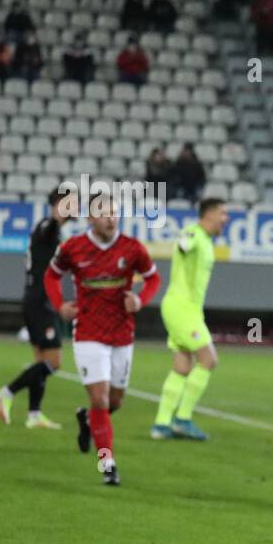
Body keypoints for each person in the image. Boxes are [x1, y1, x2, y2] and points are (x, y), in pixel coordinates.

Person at [43, 191, 161, 486]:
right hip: (88, 333)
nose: (111, 218)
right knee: (100, 397)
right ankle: (107, 463)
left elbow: (154, 278)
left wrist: (140, 300)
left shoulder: (132, 248)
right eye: (104, 213)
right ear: (90, 218)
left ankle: (86, 419)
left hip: (122, 334)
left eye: (114, 212)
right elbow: (51, 276)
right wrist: (60, 306)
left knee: (115, 401)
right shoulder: (73, 248)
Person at [0, 187, 76, 430]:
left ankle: (34, 414)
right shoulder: (47, 226)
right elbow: (50, 227)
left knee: (41, 360)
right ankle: (6, 392)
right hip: (39, 302)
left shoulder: (53, 230)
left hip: (37, 300)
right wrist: (59, 216)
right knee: (54, 361)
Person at [151, 198, 230, 441]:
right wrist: (184, 243)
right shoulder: (193, 233)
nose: (225, 219)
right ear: (209, 214)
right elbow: (184, 243)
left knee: (182, 367)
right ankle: (182, 419)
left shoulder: (207, 241)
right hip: (181, 308)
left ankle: (161, 424)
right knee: (208, 360)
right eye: (222, 213)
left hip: (187, 309)